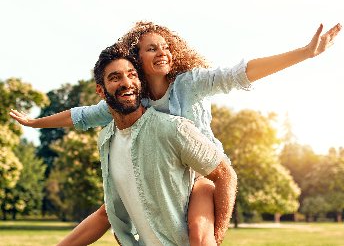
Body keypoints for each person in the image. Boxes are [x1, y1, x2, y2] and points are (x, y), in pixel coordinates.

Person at [10, 21, 341, 245]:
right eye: (151, 48)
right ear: (137, 59)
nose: (162, 52)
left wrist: (305, 52)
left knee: (199, 234)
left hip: (201, 176)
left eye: (165, 46)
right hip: (164, 175)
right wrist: (35, 123)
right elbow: (81, 116)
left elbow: (242, 73)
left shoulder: (190, 83)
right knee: (109, 209)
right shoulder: (132, 98)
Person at [65, 43, 236, 245]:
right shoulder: (106, 141)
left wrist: (216, 238)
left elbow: (225, 174)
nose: (126, 82)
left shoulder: (174, 129)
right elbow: (109, 213)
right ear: (101, 91)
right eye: (115, 77)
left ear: (140, 81)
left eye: (132, 75)